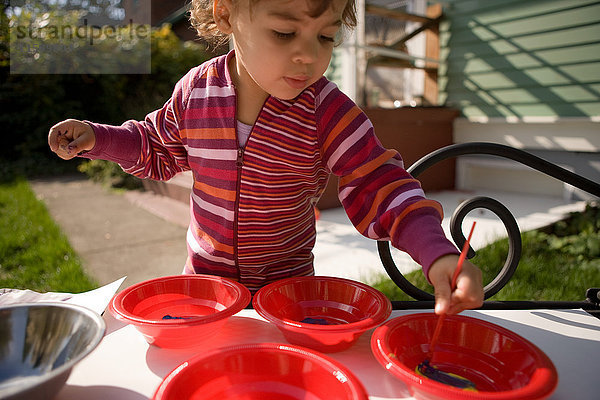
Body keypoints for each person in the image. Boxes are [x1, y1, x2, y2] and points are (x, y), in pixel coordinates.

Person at [48, 0, 483, 315]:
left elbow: (379, 184)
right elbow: (156, 148)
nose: (309, 56)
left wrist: (436, 252)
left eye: (326, 37)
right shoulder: (196, 91)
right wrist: (98, 139)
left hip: (290, 297)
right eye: (284, 32)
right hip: (208, 291)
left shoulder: (326, 111)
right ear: (226, 13)